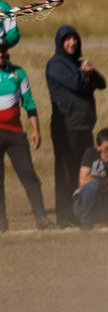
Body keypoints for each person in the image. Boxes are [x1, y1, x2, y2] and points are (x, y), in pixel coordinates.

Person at [46, 25, 103, 221]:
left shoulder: (78, 65)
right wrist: (86, 74)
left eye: (74, 39)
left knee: (86, 170)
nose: (72, 42)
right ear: (60, 42)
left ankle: (83, 213)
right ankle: (64, 217)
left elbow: (102, 83)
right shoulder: (55, 65)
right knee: (66, 172)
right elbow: (76, 84)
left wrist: (91, 72)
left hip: (84, 126)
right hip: (65, 127)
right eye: (67, 39)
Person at [0, 37, 48, 230]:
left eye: (2, 51)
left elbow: (29, 102)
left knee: (28, 174)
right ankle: (1, 223)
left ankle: (41, 218)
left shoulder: (18, 73)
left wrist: (35, 129)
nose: (1, 54)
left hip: (15, 134)